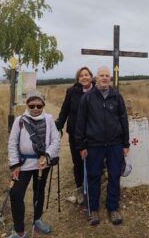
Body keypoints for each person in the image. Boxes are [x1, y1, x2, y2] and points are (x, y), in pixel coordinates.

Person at [75, 66, 130, 226]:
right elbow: (80, 123)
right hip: (94, 145)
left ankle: (113, 208)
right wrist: (81, 146)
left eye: (107, 76)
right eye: (101, 75)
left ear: (110, 79)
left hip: (115, 144)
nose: (104, 78)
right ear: (96, 78)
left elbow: (123, 120)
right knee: (93, 176)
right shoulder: (87, 98)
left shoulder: (117, 97)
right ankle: (93, 209)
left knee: (114, 175)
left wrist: (125, 143)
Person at [8, 91, 60, 238]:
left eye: (39, 105)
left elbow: (56, 140)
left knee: (39, 192)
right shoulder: (19, 121)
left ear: (43, 105)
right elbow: (12, 143)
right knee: (16, 194)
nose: (36, 108)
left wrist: (47, 155)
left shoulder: (49, 119)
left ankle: (37, 220)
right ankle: (19, 231)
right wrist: (14, 164)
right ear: (27, 105)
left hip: (42, 164)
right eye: (32, 105)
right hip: (23, 164)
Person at [55, 66, 94, 205]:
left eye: (87, 75)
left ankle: (92, 190)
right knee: (77, 162)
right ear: (78, 79)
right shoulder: (71, 92)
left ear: (91, 76)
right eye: (81, 75)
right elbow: (65, 110)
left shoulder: (97, 91)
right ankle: (80, 192)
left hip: (93, 134)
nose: (84, 77)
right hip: (75, 134)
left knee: (93, 162)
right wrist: (58, 125)